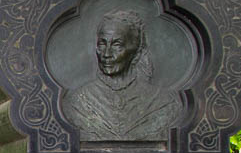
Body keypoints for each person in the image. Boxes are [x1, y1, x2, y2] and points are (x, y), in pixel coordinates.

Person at [63, 9, 181, 141]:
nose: (106, 54)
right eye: (102, 43)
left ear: (135, 50)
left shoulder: (162, 102)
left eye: (117, 45)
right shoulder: (79, 101)